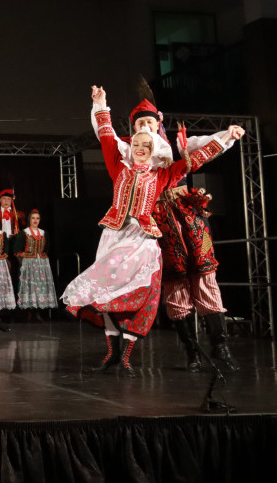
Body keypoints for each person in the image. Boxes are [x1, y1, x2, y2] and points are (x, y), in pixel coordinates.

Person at [62, 86, 243, 377]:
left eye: (149, 128)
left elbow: (198, 156)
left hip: (164, 229)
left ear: (158, 127)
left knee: (183, 284)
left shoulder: (169, 161)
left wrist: (226, 138)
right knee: (139, 288)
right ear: (131, 141)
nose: (143, 143)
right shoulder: (118, 164)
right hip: (130, 232)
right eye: (138, 135)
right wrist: (100, 104)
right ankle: (133, 351)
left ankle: (214, 349)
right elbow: (106, 135)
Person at [128, 98, 241, 372]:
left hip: (186, 214)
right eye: (140, 123)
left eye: (150, 122)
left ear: (158, 123)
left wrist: (227, 136)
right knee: (174, 284)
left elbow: (201, 149)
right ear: (133, 130)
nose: (145, 126)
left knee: (204, 276)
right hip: (156, 219)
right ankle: (193, 352)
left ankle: (221, 347)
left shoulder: (173, 145)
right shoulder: (130, 153)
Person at [14, 209, 57, 315]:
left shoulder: (44, 233)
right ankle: (28, 312)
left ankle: (38, 311)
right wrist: (22, 262)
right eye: (33, 218)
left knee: (40, 286)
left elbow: (46, 248)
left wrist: (43, 258)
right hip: (28, 263)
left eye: (37, 218)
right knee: (28, 286)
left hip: (41, 263)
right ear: (29, 219)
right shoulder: (24, 233)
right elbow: (16, 250)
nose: (35, 220)